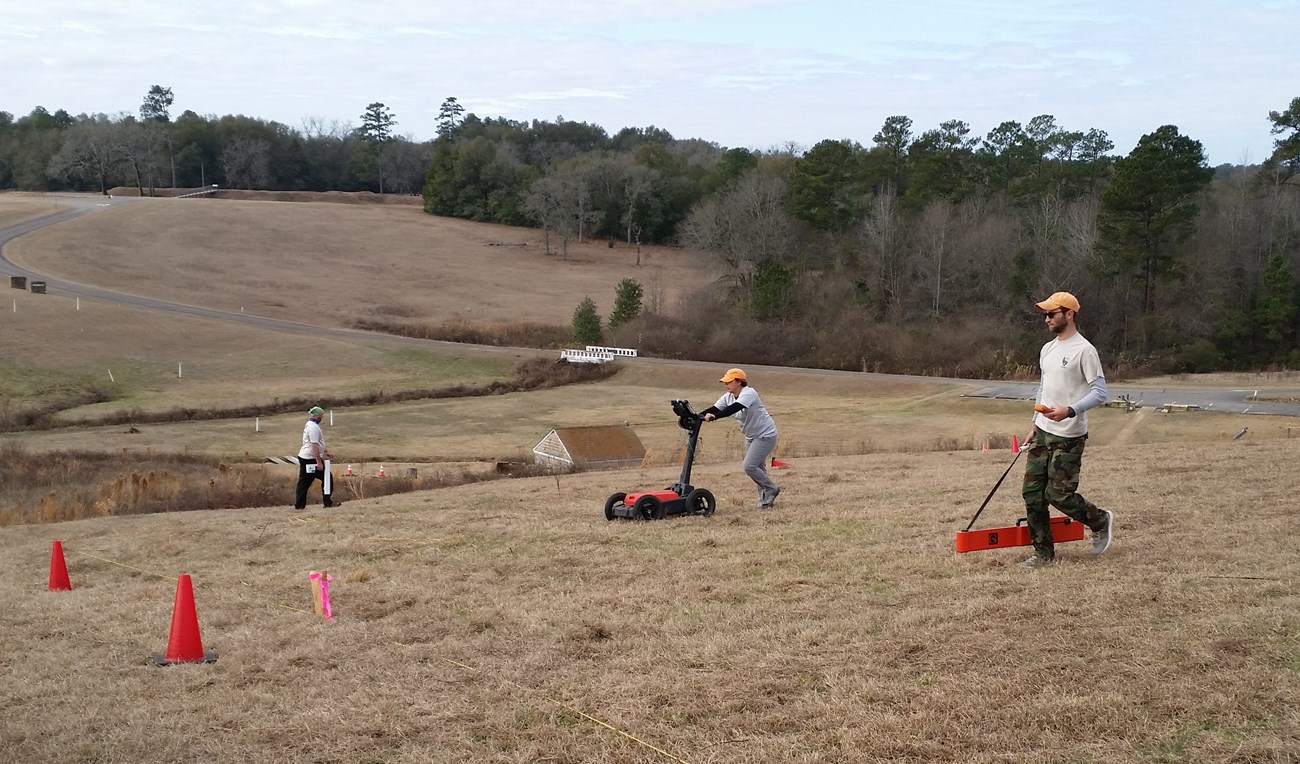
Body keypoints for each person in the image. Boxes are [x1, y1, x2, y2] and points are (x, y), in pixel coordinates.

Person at [1020, 292, 1113, 567]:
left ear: (1069, 314)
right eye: (1045, 314)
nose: (1047, 318)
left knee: (1058, 495)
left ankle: (1100, 520)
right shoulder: (1047, 349)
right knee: (1032, 493)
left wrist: (1069, 410)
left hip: (1069, 435)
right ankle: (1043, 554)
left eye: (1052, 313)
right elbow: (1043, 388)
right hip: (1043, 432)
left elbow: (1100, 392)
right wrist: (1034, 424)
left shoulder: (1084, 350)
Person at [700, 368, 781, 509]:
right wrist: (695, 416)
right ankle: (765, 502)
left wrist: (715, 417)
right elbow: (714, 408)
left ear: (739, 382)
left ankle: (772, 488)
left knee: (749, 466)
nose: (726, 385)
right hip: (750, 436)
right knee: (759, 469)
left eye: (729, 382)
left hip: (765, 435)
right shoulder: (728, 396)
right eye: (725, 382)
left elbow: (735, 408)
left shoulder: (749, 393)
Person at [294, 406, 338, 510]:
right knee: (326, 478)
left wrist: (326, 451)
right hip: (310, 458)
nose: (322, 417)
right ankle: (327, 503)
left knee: (304, 482)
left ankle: (300, 506)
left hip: (306, 457)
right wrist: (319, 462)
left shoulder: (310, 424)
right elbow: (314, 445)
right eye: (321, 415)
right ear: (318, 415)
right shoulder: (313, 427)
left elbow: (317, 442)